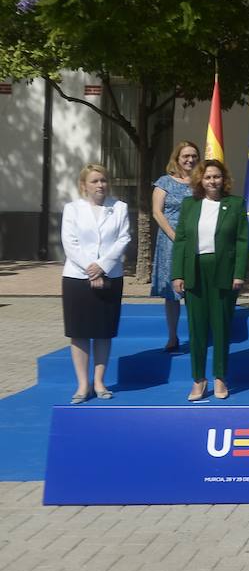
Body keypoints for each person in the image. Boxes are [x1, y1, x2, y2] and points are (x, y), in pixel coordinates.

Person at [171, 160, 248, 402]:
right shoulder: (190, 204)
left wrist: (239, 273)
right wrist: (177, 274)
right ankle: (198, 379)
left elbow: (242, 241)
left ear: (223, 179)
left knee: (221, 326)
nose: (212, 181)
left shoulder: (235, 204)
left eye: (216, 177)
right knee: (197, 328)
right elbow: (181, 240)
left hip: (223, 271)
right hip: (194, 270)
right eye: (207, 177)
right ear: (200, 180)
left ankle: (220, 377)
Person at [60, 164, 131, 403]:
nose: (100, 185)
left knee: (103, 331)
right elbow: (70, 243)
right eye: (94, 181)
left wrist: (102, 266)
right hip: (77, 277)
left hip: (110, 275)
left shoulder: (119, 208)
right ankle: (83, 385)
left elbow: (123, 238)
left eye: (103, 180)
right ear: (84, 185)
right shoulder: (72, 209)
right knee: (79, 332)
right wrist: (91, 269)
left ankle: (99, 382)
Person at [150, 140, 199, 352]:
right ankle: (173, 336)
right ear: (177, 159)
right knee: (173, 292)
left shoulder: (200, 182)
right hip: (170, 241)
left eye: (194, 156)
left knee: (194, 289)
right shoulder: (164, 182)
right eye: (186, 156)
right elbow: (157, 212)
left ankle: (197, 335)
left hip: (196, 240)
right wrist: (173, 235)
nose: (190, 160)